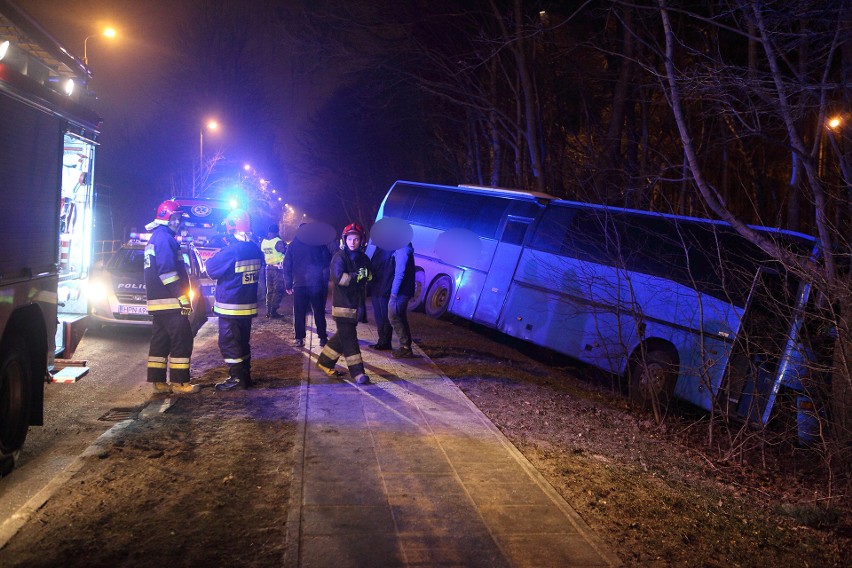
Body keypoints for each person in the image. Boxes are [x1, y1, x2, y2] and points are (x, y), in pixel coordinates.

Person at [205, 209, 264, 391]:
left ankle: (236, 379)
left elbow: (211, 269)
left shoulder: (231, 251)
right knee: (242, 342)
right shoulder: (255, 248)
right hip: (247, 306)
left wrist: (220, 251)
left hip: (230, 305)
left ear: (231, 228)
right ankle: (245, 376)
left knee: (229, 342)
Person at [144, 199, 199, 394]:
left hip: (159, 303)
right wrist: (181, 296)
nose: (178, 222)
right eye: (175, 218)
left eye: (179, 218)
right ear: (166, 217)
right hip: (170, 301)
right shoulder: (165, 238)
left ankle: (158, 382)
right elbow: (167, 272)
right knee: (181, 339)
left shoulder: (157, 237)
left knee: (160, 340)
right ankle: (180, 383)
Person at [315, 223, 372, 384]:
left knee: (342, 337)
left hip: (356, 307)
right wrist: (357, 277)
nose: (353, 242)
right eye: (350, 239)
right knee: (350, 340)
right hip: (342, 307)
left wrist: (367, 276)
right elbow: (339, 279)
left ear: (362, 241)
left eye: (356, 239)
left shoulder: (364, 258)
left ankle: (324, 362)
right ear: (344, 240)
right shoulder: (339, 257)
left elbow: (370, 277)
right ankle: (358, 373)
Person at [282, 224, 332, 347]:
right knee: (319, 311)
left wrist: (288, 283)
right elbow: (328, 261)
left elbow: (287, 265)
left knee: (299, 312)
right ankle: (322, 337)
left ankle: (299, 338)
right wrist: (324, 279)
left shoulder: (293, 245)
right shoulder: (318, 244)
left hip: (299, 284)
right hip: (316, 284)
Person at [389, 241, 416, 358]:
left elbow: (400, 272)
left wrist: (394, 292)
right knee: (400, 317)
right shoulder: (402, 248)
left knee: (393, 317)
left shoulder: (402, 249)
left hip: (401, 292)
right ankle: (406, 346)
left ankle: (405, 347)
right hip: (404, 290)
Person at [368, 245, 394, 350]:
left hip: (385, 289)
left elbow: (390, 272)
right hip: (376, 287)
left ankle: (386, 342)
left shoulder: (392, 250)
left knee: (385, 316)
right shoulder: (379, 248)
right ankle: (381, 340)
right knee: (379, 316)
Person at [260, 223, 286, 318]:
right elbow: (284, 251)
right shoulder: (277, 241)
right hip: (277, 269)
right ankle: (273, 311)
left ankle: (268, 310)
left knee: (269, 290)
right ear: (277, 231)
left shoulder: (264, 242)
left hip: (268, 268)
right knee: (278, 290)